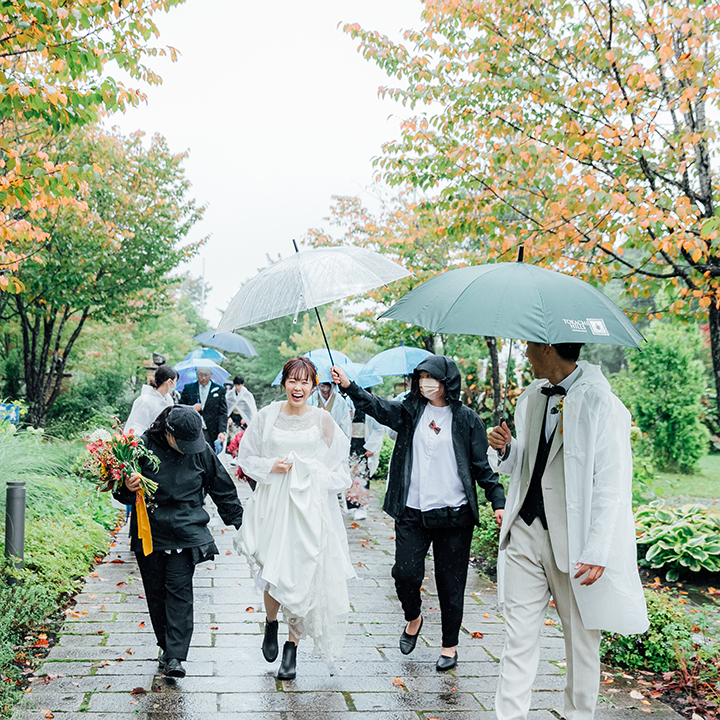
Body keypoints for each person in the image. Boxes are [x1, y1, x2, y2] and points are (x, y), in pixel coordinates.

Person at [487, 342, 648, 720]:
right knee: (518, 639)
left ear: (548, 347)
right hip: (525, 533)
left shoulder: (602, 404)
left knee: (581, 643)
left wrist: (598, 550)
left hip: (575, 545)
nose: (525, 353)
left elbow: (612, 482)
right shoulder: (530, 397)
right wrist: (508, 448)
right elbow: (525, 463)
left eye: (530, 346)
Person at [332, 355, 505, 672]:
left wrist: (498, 501)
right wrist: (349, 386)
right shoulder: (411, 412)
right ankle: (413, 617)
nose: (425, 382)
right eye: (421, 376)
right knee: (405, 573)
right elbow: (377, 406)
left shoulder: (467, 420)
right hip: (412, 511)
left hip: (455, 516)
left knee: (450, 584)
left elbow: (483, 467)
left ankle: (449, 647)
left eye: (432, 377)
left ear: (447, 381)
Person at [235, 357, 355, 680]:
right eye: (292, 380)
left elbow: (341, 470)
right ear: (284, 382)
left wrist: (314, 473)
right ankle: (271, 623)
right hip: (274, 505)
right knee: (273, 572)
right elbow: (245, 458)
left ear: (314, 386)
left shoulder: (324, 421)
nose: (297, 388)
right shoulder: (266, 416)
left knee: (304, 574)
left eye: (304, 382)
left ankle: (292, 648)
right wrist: (271, 466)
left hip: (309, 510)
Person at [114, 405, 244, 679]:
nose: (188, 447)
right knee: (156, 592)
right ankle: (165, 645)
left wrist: (240, 523)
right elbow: (121, 493)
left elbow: (221, 485)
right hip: (150, 528)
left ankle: (175, 656)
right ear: (168, 433)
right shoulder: (143, 447)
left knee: (179, 591)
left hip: (187, 528)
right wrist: (127, 487)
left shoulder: (201, 450)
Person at [344, 388, 385, 521]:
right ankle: (351, 505)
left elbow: (379, 429)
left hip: (364, 444)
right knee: (349, 475)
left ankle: (361, 507)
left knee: (361, 476)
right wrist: (349, 416)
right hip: (350, 443)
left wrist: (372, 447)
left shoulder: (372, 404)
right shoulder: (347, 402)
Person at [180, 368, 227, 454]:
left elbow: (222, 412)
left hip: (211, 430)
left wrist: (222, 431)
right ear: (197, 375)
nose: (203, 378)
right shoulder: (189, 388)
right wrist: (192, 408)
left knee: (209, 456)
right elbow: (180, 408)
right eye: (201, 375)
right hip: (193, 429)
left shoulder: (220, 390)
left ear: (211, 375)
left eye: (206, 375)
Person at [123, 365, 177, 436]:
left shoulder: (168, 399)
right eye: (175, 381)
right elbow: (135, 428)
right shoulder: (144, 401)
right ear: (169, 382)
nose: (175, 384)